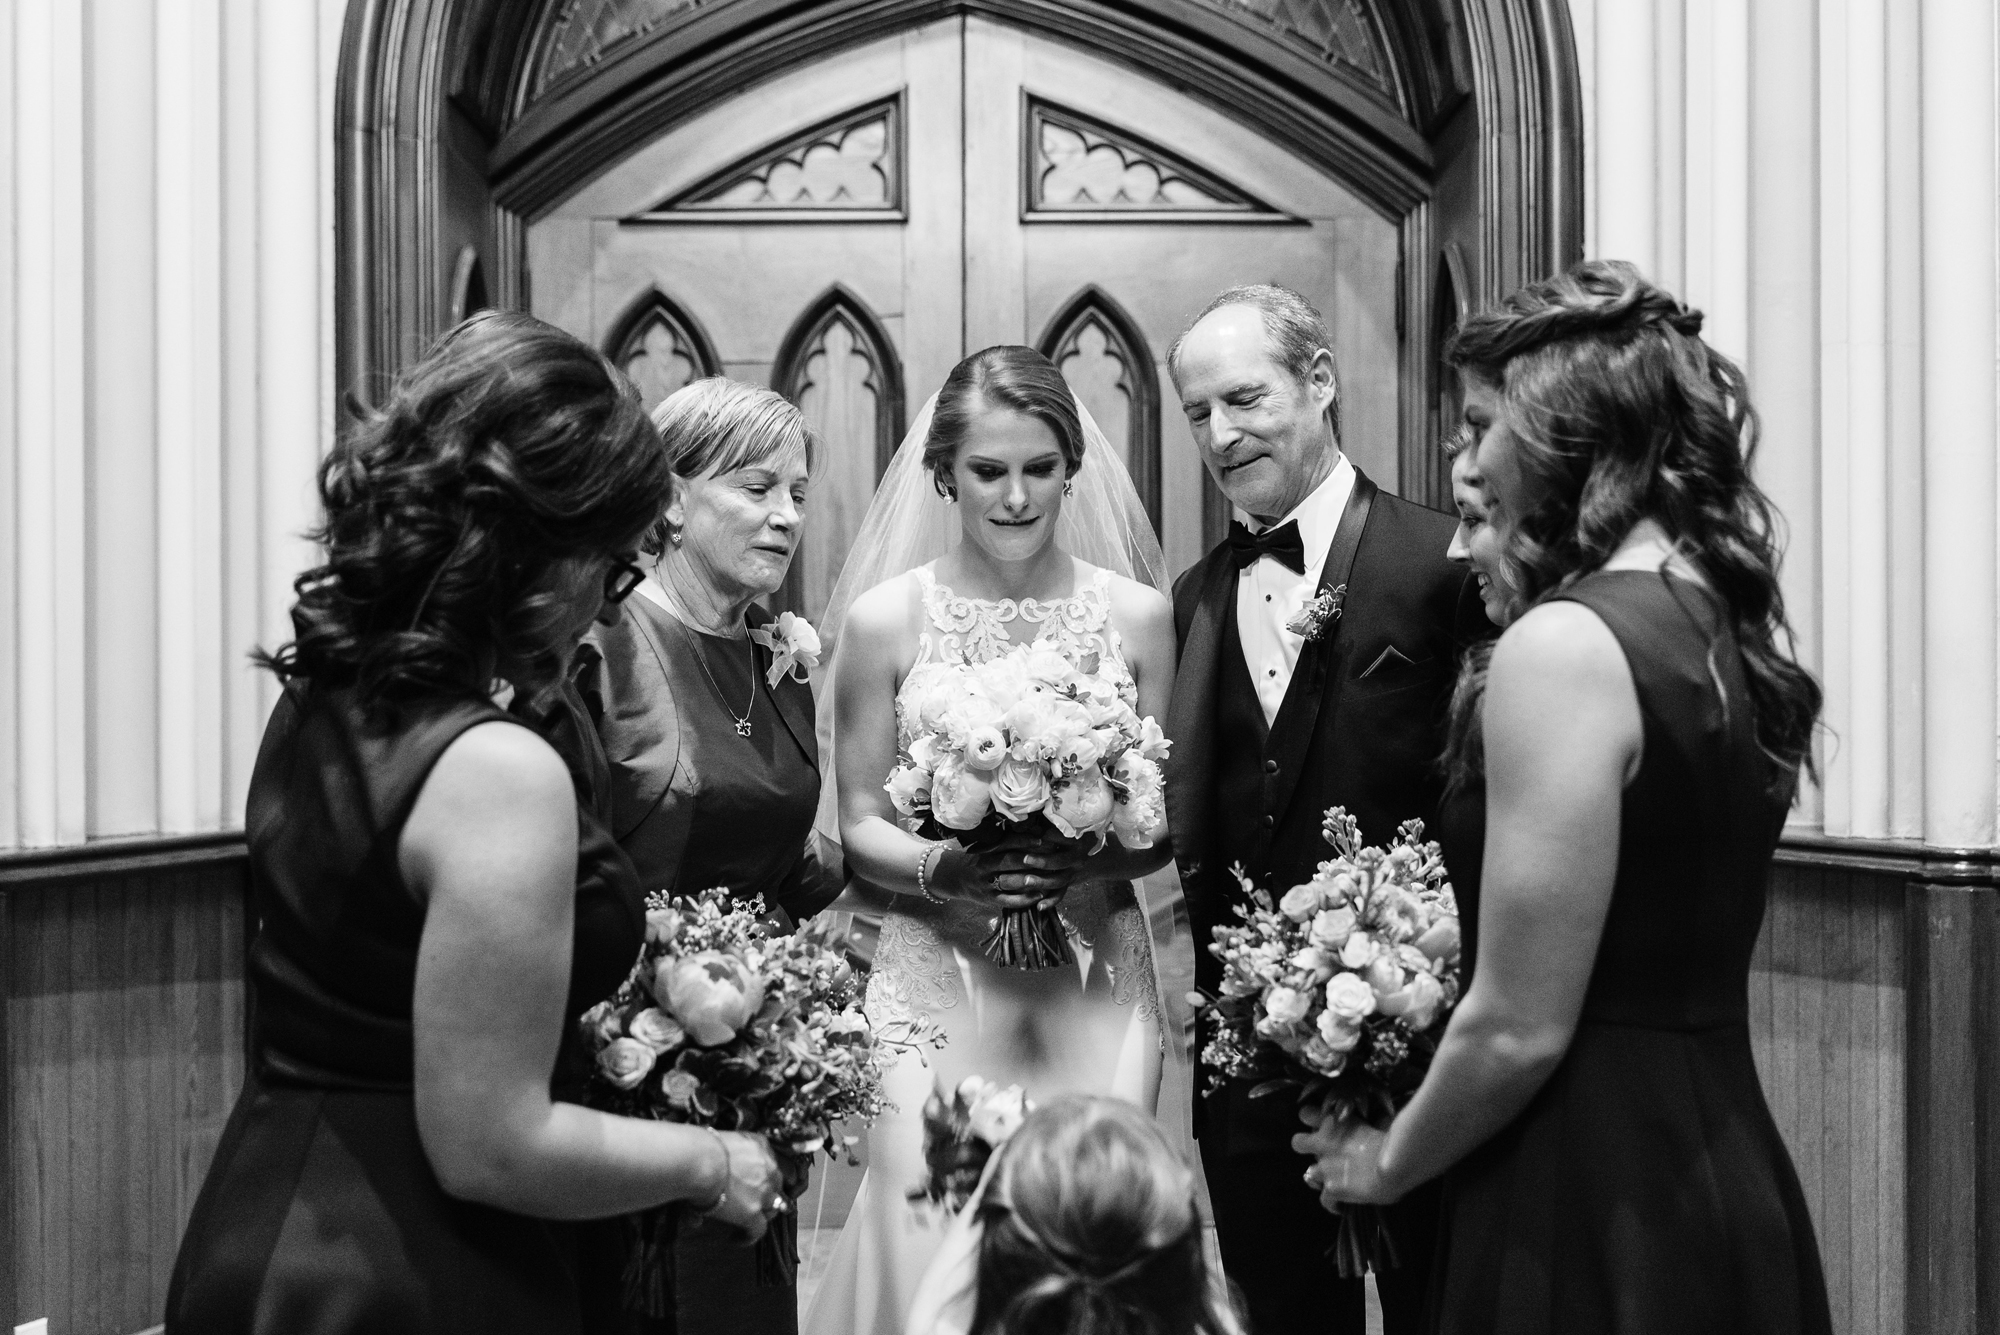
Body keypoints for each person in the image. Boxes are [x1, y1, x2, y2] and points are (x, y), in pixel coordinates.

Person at [164, 312, 784, 1335]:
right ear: (533, 550)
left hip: (272, 1212)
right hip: (410, 1263)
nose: (601, 606)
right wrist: (714, 1159)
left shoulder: (328, 689)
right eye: (608, 566)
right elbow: (491, 1143)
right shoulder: (495, 771)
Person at [1298, 260, 1833, 1334]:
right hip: (1718, 1158)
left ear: (1562, 435)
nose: (1457, 467)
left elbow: (1517, 1026)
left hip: (1581, 1188)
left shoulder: (1562, 645)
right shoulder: (1716, 624)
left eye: (1476, 427)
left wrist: (1384, 1163)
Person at [801, 345, 1189, 1335]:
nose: (1015, 497)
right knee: (926, 1221)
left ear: (1072, 467)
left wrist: (1085, 848)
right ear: (943, 476)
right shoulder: (886, 619)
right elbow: (856, 819)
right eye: (986, 472)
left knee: (1090, 1230)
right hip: (938, 970)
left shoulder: (1139, 616)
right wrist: (948, 865)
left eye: (1038, 469)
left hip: (1093, 971)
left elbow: (1158, 823)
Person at [1162, 283, 1488, 1335]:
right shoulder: (1192, 598)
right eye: (1196, 413)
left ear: (1319, 381)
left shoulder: (1445, 566)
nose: (1219, 434)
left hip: (1418, 1050)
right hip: (1247, 1068)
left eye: (1243, 399)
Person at [576, 376, 846, 1335]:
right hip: (627, 1072)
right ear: (674, 500)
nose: (785, 517)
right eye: (755, 487)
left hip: (755, 1066)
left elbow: (785, 864)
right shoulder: (605, 644)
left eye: (800, 494)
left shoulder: (779, 659)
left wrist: (938, 868)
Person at [902, 1096, 1245, 1335]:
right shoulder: (1217, 1324)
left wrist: (997, 1173)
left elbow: (933, 1306)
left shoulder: (931, 1326)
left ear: (1000, 1254)